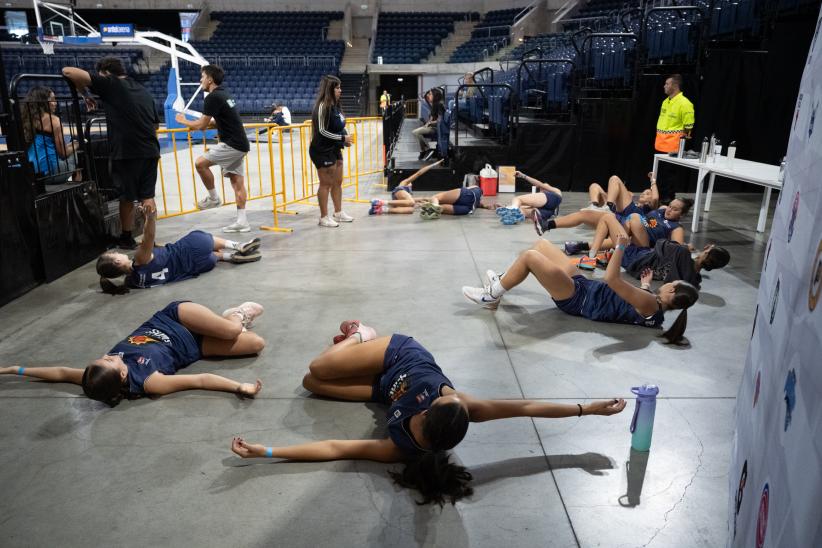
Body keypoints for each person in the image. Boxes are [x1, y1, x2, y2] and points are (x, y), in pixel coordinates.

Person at [229, 328, 626, 506]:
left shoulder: (400, 447)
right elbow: (526, 408)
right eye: (449, 396)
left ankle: (354, 343)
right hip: (400, 353)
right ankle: (361, 333)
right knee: (320, 365)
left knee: (311, 379)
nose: (450, 393)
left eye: (445, 398)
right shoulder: (464, 406)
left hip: (383, 390)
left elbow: (335, 447)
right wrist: (585, 408)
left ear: (428, 416)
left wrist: (265, 451)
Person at [1, 301, 266, 406]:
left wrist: (15, 369)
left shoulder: (95, 376)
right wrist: (238, 386)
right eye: (110, 360)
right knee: (256, 344)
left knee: (232, 331)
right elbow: (200, 380)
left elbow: (59, 373)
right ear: (123, 373)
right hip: (194, 346)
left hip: (173, 318)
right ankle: (230, 319)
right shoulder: (151, 382)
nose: (110, 355)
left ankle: (237, 314)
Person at [462, 234, 699, 345]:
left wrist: (620, 247)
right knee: (542, 245)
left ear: (672, 292)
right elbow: (637, 301)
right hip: (585, 288)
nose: (668, 281)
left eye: (672, 283)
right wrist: (646, 285)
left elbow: (612, 279)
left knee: (530, 258)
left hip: (579, 299)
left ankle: (491, 295)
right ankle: (500, 285)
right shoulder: (652, 305)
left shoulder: (650, 305)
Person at [63, 57, 160, 249]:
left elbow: (68, 71)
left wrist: (83, 94)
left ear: (105, 73)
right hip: (150, 150)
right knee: (148, 197)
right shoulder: (142, 90)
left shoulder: (110, 83)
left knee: (126, 198)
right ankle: (150, 240)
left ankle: (126, 237)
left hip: (127, 152)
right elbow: (155, 124)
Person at [95, 206, 261, 295]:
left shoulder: (134, 282)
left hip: (200, 267)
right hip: (191, 248)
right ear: (116, 261)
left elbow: (156, 256)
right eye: (114, 254)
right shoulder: (140, 258)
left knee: (212, 255)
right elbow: (149, 236)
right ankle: (238, 246)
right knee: (200, 236)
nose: (116, 252)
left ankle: (229, 257)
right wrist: (150, 217)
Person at [175, 64, 252, 233]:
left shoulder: (211, 97)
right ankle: (242, 222)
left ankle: (214, 198)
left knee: (200, 163)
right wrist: (208, 123)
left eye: (202, 77)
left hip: (232, 143)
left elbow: (201, 125)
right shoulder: (225, 94)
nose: (200, 80)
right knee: (237, 182)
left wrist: (183, 121)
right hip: (241, 143)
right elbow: (223, 119)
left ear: (210, 79)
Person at [533, 173, 659, 236]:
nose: (644, 193)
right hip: (617, 218)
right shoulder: (633, 200)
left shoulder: (648, 208)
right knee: (584, 214)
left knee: (614, 179)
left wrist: (653, 180)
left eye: (648, 193)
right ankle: (546, 225)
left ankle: (609, 206)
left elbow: (656, 198)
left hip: (628, 222)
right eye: (644, 191)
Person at [309, 75, 354, 228]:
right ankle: (323, 217)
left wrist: (345, 138)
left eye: (340, 87)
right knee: (325, 184)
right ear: (329, 89)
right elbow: (321, 131)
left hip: (334, 148)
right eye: (337, 87)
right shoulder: (323, 106)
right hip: (321, 149)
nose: (340, 90)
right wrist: (343, 138)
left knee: (338, 182)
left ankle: (338, 212)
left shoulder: (336, 105)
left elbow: (339, 125)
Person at [21, 86, 81, 183]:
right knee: (76, 152)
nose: (55, 103)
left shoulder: (25, 118)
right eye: (52, 100)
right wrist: (77, 144)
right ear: (43, 102)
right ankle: (78, 185)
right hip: (50, 174)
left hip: (29, 172)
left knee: (70, 145)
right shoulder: (54, 120)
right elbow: (63, 154)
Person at [654, 74, 695, 201]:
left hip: (673, 147)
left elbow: (689, 126)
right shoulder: (665, 102)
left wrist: (683, 146)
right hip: (660, 145)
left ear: (675, 86)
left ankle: (668, 201)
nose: (664, 86)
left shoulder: (685, 103)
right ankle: (658, 200)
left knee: (669, 178)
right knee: (659, 177)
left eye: (667, 84)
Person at [369, 159, 444, 215]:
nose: (411, 184)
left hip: (398, 199)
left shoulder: (408, 193)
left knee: (411, 210)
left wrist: (423, 203)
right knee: (412, 202)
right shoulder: (404, 183)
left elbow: (418, 199)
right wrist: (434, 164)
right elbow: (419, 173)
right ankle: (381, 202)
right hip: (398, 192)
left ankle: (381, 210)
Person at [496, 171, 562, 225]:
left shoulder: (554, 192)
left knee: (517, 199)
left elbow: (539, 184)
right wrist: (505, 206)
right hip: (546, 212)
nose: (541, 189)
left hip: (549, 205)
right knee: (520, 210)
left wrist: (523, 176)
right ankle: (512, 217)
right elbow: (521, 206)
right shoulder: (546, 201)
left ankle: (512, 211)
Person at [418, 184, 484, 220]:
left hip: (466, 194)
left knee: (435, 197)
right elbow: (481, 204)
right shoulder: (477, 201)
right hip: (467, 209)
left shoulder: (476, 187)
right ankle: (434, 209)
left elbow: (466, 188)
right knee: (441, 208)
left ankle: (433, 205)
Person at [413, 88, 444, 161]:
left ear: (435, 95)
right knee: (415, 132)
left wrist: (430, 123)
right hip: (432, 126)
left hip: (436, 128)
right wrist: (427, 124)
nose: (428, 95)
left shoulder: (439, 105)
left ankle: (426, 150)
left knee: (415, 132)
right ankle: (425, 150)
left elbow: (440, 120)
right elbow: (432, 117)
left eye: (430, 94)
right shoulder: (434, 104)